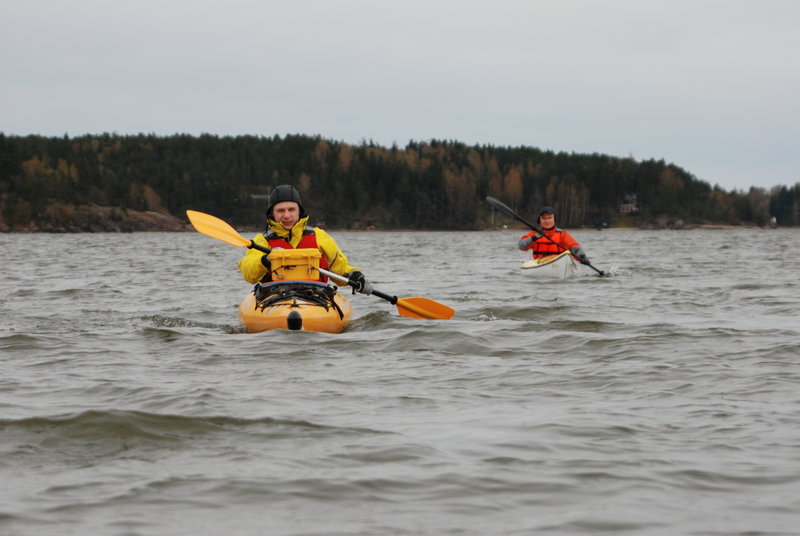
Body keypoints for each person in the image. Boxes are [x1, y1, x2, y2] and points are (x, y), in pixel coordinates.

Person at [237, 184, 373, 294]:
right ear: (272, 213)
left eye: (291, 209)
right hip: (274, 296)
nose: (286, 215)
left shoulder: (319, 236)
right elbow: (249, 274)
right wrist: (266, 260)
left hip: (316, 295)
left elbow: (340, 268)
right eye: (280, 210)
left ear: (299, 211)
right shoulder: (262, 241)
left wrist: (356, 276)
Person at [518, 206, 590, 264]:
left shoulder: (562, 234)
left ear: (554, 219)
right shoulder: (534, 234)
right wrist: (533, 238)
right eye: (543, 218)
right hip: (540, 265)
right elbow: (521, 246)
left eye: (549, 218)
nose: (547, 221)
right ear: (539, 220)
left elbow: (574, 247)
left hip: (559, 264)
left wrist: (582, 256)